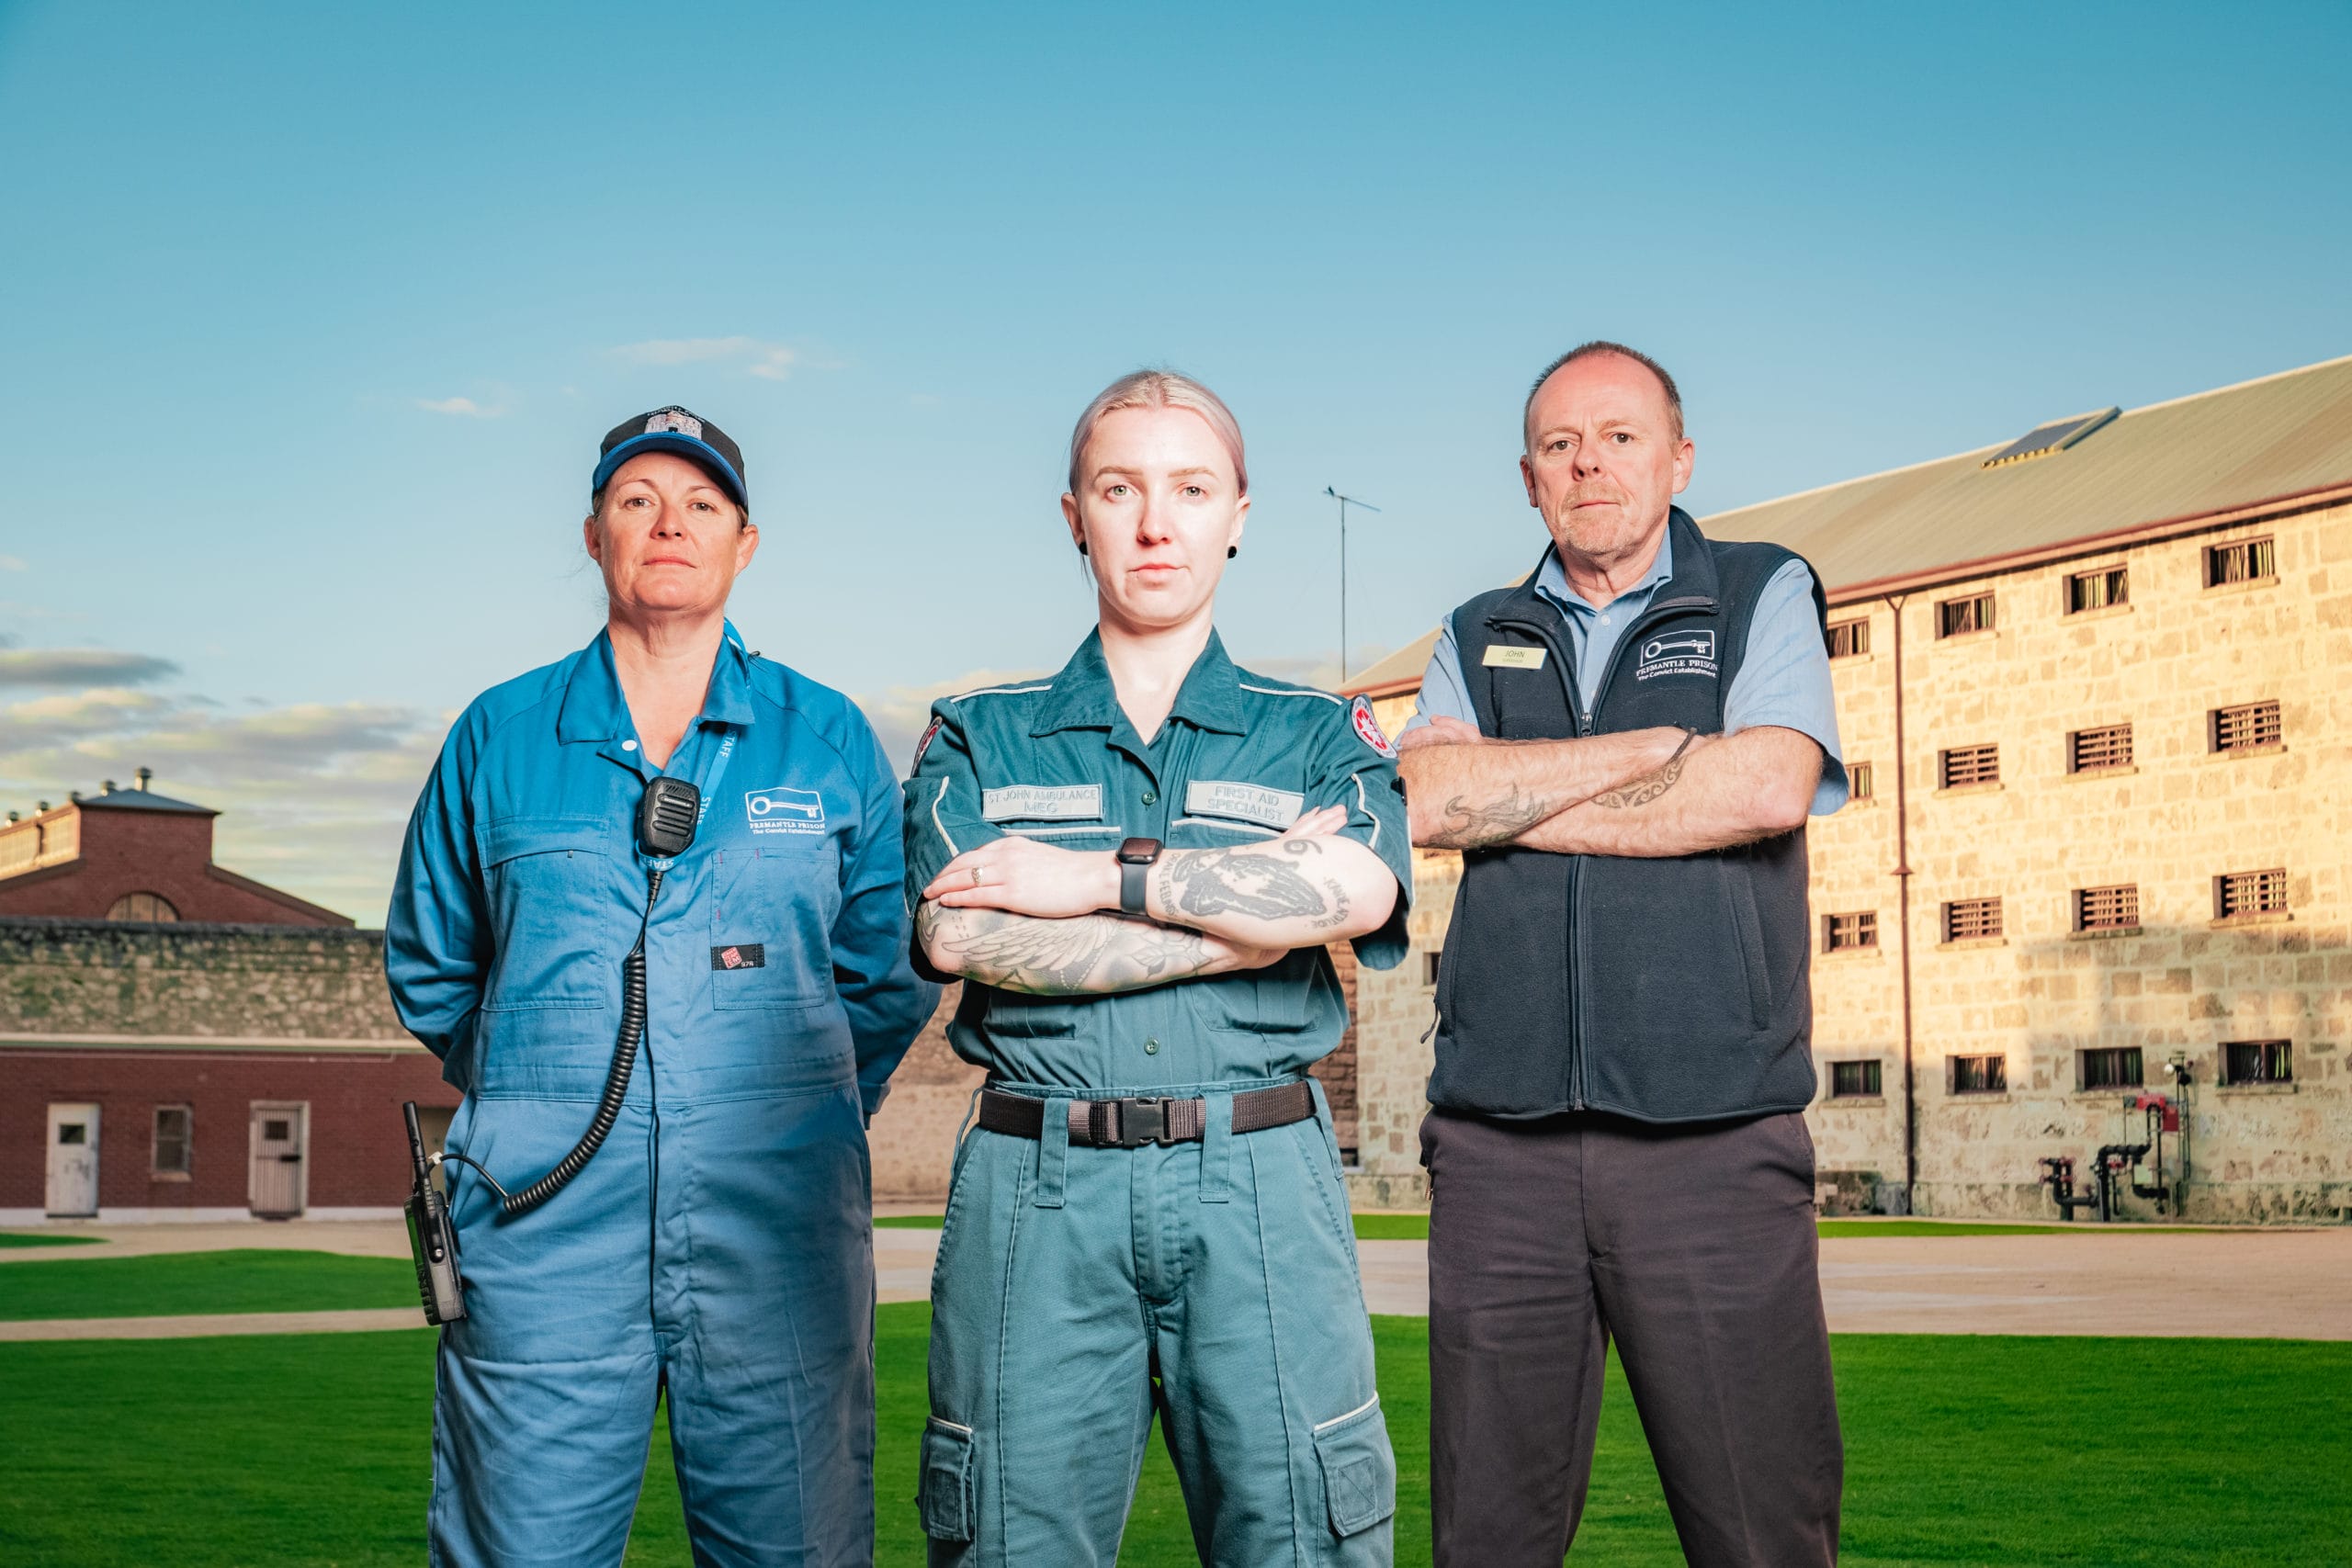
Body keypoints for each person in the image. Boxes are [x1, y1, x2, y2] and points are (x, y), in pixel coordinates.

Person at [385, 406, 936, 1567]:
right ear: (594, 536)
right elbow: (433, 965)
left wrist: (795, 1104)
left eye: (700, 505)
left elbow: (884, 977)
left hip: (776, 1232)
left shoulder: (826, 738)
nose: (667, 524)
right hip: (540, 1232)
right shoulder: (500, 734)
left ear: (745, 543)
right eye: (637, 501)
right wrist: (548, 1085)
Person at [904, 370, 1413, 1565]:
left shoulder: (1320, 731)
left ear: (1239, 510)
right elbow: (964, 938)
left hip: (1262, 1185)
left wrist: (1089, 880)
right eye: (1119, 486)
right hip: (1034, 1189)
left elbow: (1358, 890)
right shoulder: (980, 730)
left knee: (1308, 1540)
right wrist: (1249, 906)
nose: (1154, 521)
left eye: (1190, 487)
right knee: (1003, 1542)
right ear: (1073, 510)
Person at [1398, 343, 1848, 1566]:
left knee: (1764, 1532)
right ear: (1530, 479)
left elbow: (1764, 784)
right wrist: (1648, 750)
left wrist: (1512, 790)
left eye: (1620, 436)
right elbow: (1425, 806)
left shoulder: (1763, 589)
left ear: (1679, 458)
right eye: (1559, 444)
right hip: (1501, 1149)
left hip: (1713, 1140)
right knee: (1485, 1536)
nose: (1588, 462)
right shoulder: (1476, 628)